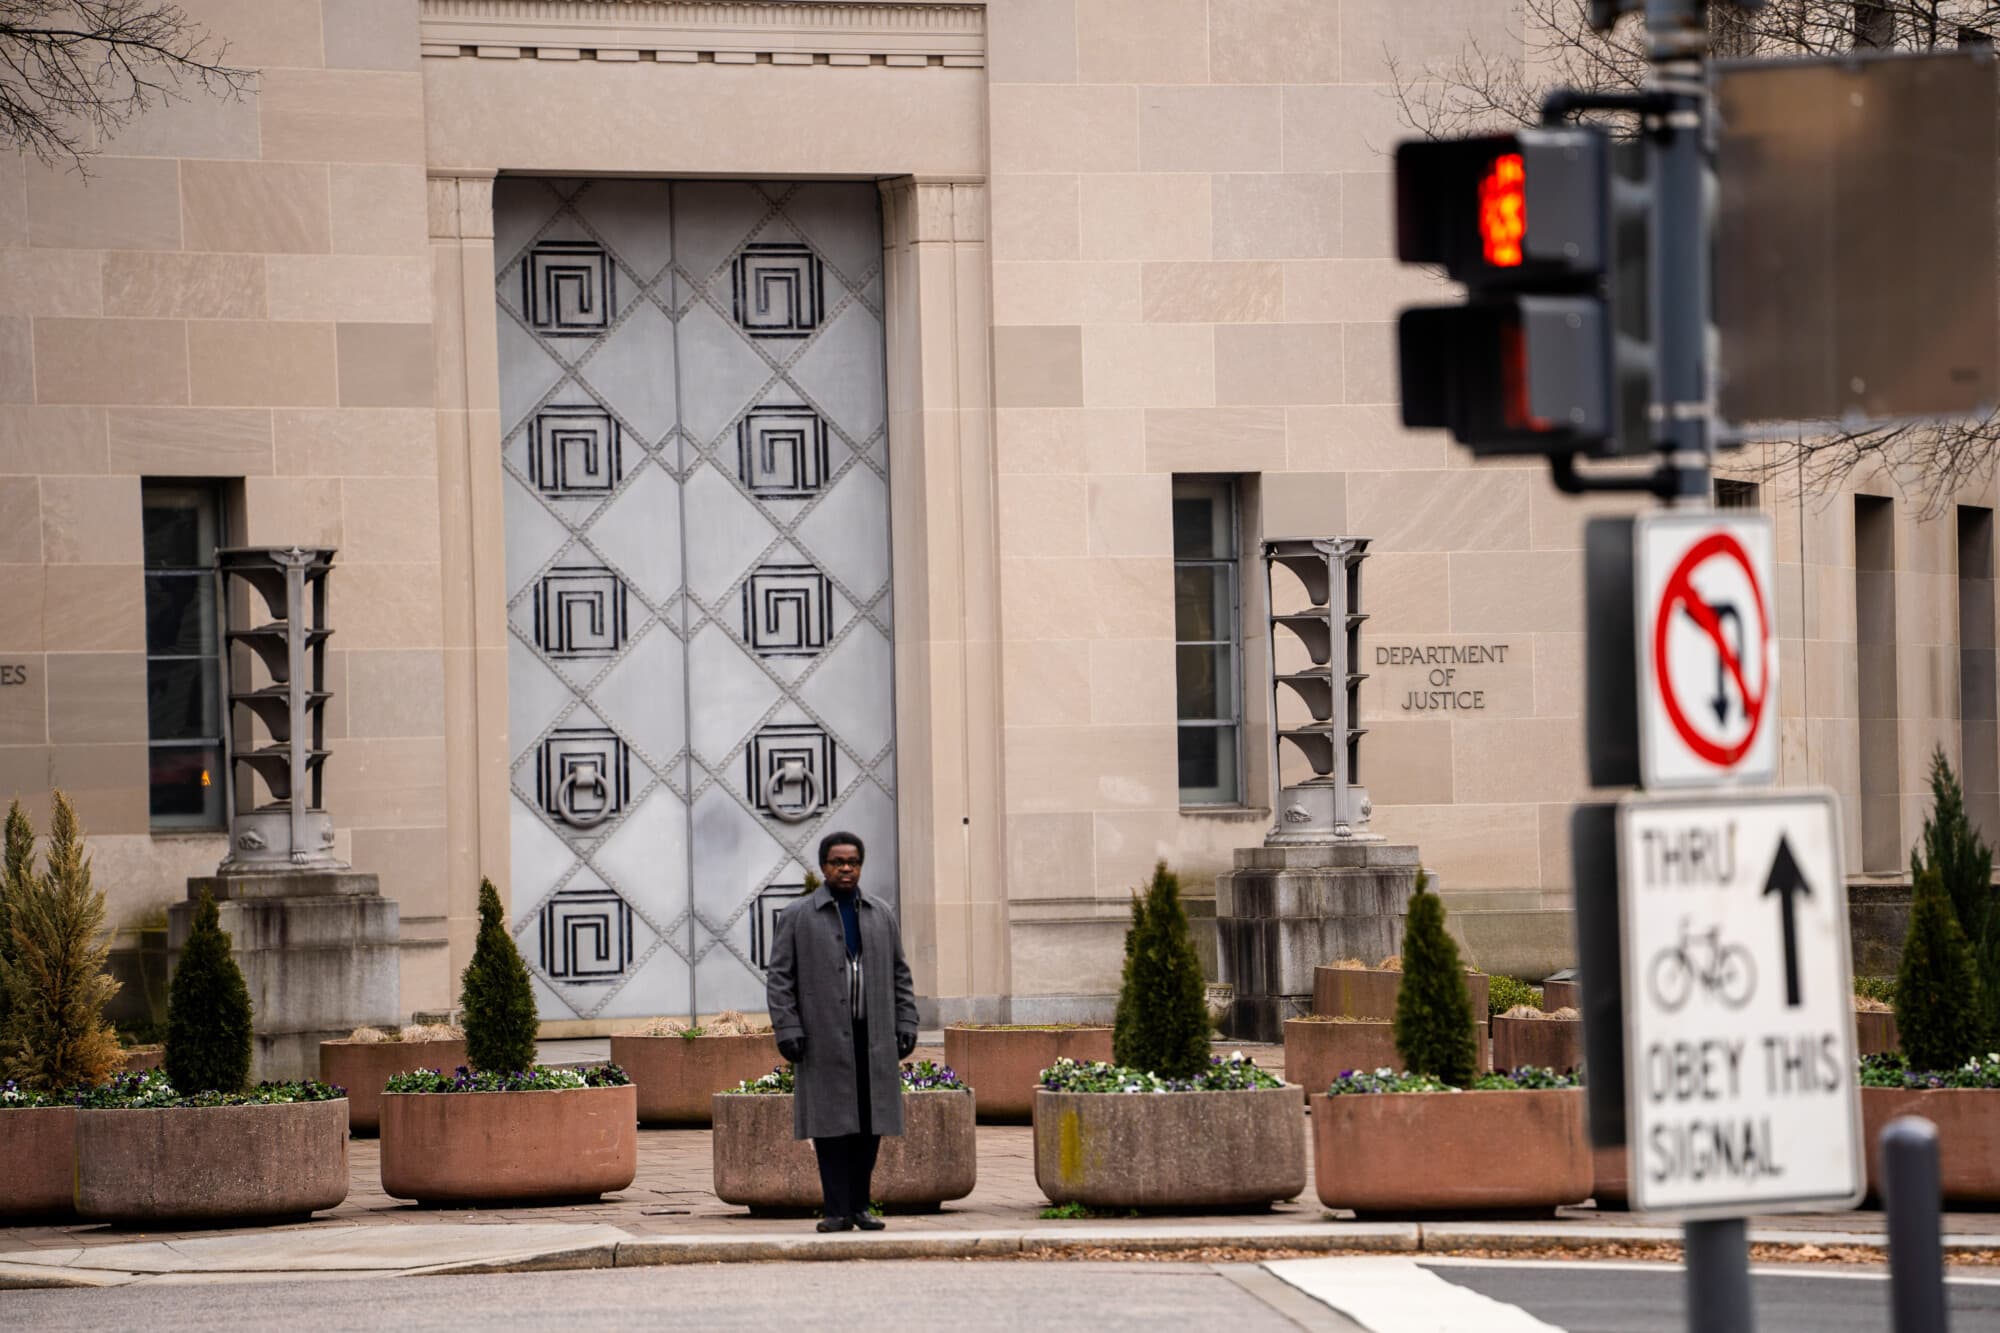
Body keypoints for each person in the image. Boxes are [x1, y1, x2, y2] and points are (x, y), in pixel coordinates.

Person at [764, 830, 919, 1232]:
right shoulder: (799, 916)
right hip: (823, 1039)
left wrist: (907, 1022)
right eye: (837, 862)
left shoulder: (881, 912)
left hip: (875, 1038)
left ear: (861, 866)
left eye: (852, 862)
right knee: (831, 1127)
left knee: (871, 1125)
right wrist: (787, 1027)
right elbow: (780, 977)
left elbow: (900, 974)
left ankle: (861, 1206)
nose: (845, 868)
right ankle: (835, 1210)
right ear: (824, 867)